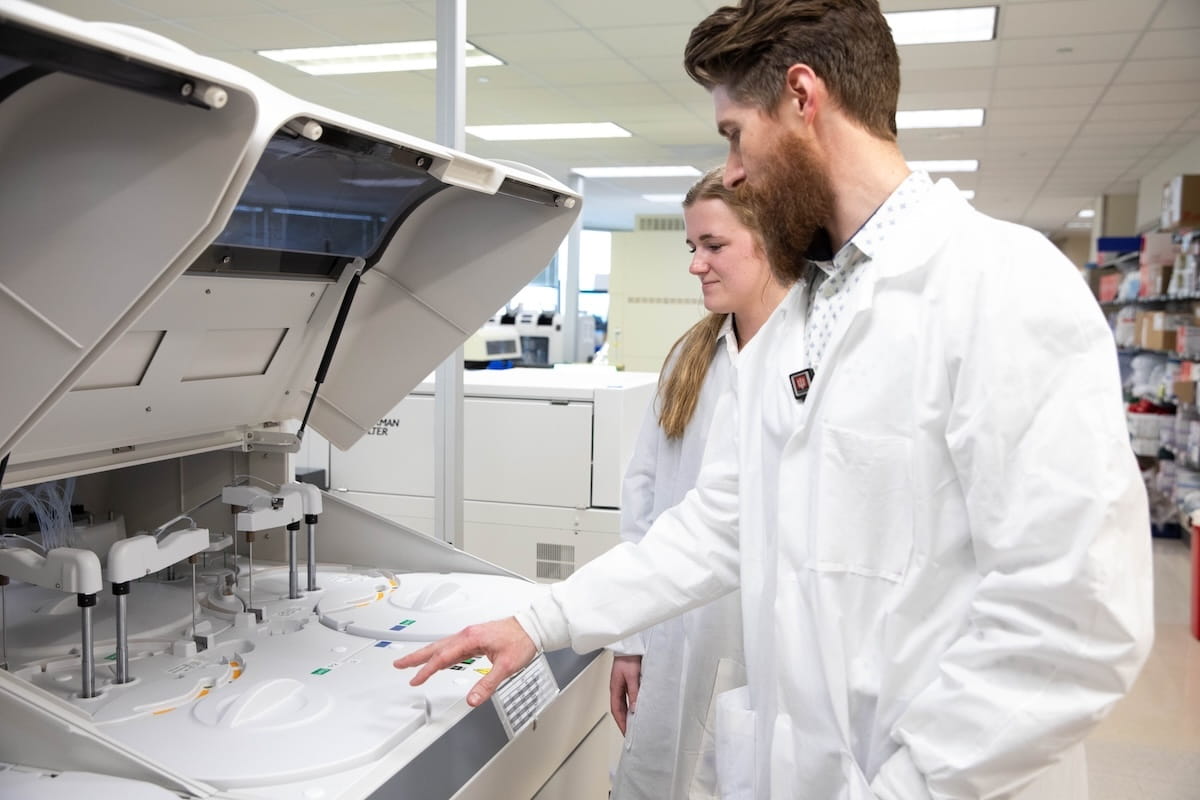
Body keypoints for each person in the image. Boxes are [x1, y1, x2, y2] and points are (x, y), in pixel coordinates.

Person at [397, 1, 1155, 797]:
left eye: (733, 133)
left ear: (802, 97)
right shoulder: (800, 316)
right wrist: (544, 621)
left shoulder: (1000, 284)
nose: (730, 170)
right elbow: (720, 522)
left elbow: (1073, 618)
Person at [609, 166, 790, 800]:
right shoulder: (692, 358)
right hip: (676, 627)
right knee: (661, 775)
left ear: (769, 238)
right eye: (693, 248)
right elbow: (645, 498)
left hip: (768, 634)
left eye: (713, 245)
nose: (697, 265)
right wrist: (629, 643)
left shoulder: (811, 358)